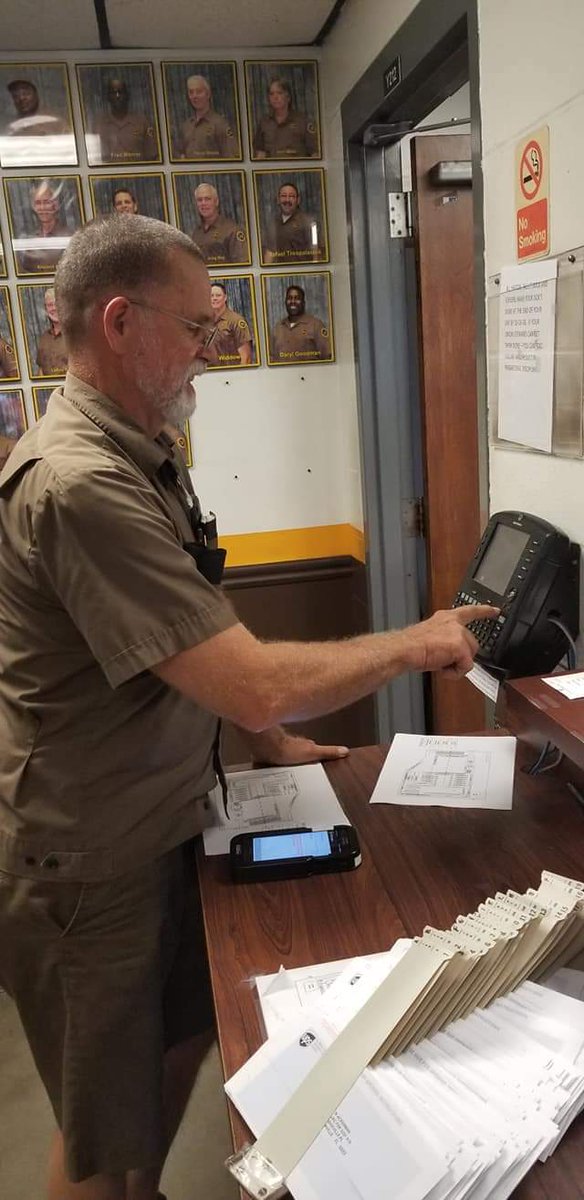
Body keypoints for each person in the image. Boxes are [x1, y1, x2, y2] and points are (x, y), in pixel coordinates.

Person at [0, 214, 495, 1200]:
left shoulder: (146, 448)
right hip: (89, 864)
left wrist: (266, 741)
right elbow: (247, 674)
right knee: (102, 1142)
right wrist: (422, 641)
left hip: (163, 820)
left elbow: (183, 649)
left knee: (170, 1061)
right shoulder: (82, 482)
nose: (210, 352)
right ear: (118, 321)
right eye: (195, 328)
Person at [91, 77, 158, 164]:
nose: (117, 96)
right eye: (113, 93)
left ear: (127, 95)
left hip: (138, 175)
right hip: (107, 176)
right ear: (108, 97)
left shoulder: (142, 122)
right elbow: (93, 158)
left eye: (121, 92)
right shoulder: (98, 124)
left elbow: (152, 155)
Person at [252, 76, 319, 160]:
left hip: (298, 171)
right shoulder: (264, 123)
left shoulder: (303, 121)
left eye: (279, 93)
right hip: (271, 171)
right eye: (271, 94)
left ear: (288, 97)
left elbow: (315, 153)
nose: (275, 97)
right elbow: (260, 154)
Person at [177, 74, 239, 160]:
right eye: (191, 92)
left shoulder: (220, 124)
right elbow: (181, 156)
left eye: (199, 91)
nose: (194, 96)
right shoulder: (186, 126)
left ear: (208, 94)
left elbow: (232, 157)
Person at [17, 179, 72, 273]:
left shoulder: (69, 236)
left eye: (46, 202)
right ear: (33, 207)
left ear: (56, 204)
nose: (42, 208)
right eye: (38, 203)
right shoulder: (29, 239)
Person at [262, 181, 324, 265]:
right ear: (278, 199)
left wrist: (315, 275)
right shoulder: (273, 223)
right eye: (283, 196)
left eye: (291, 196)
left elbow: (316, 253)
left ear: (298, 200)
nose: (287, 200)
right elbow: (270, 252)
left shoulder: (310, 223)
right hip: (279, 275)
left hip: (303, 274)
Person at [189, 182, 249, 265]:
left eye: (207, 199)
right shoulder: (196, 232)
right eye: (199, 200)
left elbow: (243, 265)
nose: (203, 203)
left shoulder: (232, 230)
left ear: (216, 202)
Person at [270, 283, 332, 363]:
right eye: (289, 298)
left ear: (303, 302)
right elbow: (271, 358)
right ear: (285, 302)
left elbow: (327, 356)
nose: (293, 301)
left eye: (297, 298)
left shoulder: (316, 325)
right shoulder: (278, 328)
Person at [4, 78, 70, 139]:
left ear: (36, 95)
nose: (21, 98)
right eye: (16, 96)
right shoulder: (12, 127)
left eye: (26, 93)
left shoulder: (54, 121)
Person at [208, 281, 252, 366]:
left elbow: (246, 357)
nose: (214, 298)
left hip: (231, 373)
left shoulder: (236, 321)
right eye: (211, 296)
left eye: (218, 295)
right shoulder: (204, 322)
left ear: (225, 298)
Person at [35, 286, 68, 376]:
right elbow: (41, 370)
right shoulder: (44, 338)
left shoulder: (76, 336)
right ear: (46, 309)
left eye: (56, 304)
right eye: (50, 305)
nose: (53, 308)